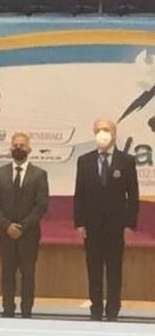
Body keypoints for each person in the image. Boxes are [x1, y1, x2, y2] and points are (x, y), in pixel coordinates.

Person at [74, 119, 139, 322]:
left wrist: (129, 224)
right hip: (92, 225)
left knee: (114, 269)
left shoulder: (126, 161)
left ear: (114, 133)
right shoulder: (84, 160)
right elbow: (79, 194)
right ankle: (95, 308)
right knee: (93, 268)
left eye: (106, 129)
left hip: (116, 226)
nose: (102, 133)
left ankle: (112, 310)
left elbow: (133, 195)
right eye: (98, 130)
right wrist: (80, 223)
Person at [0, 132, 49, 318]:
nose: (18, 148)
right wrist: (7, 226)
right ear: (10, 148)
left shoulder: (39, 174)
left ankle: (26, 310)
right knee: (7, 273)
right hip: (5, 233)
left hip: (28, 234)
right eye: (15, 145)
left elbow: (41, 205)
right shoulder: (0, 173)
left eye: (22, 145)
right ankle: (7, 308)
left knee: (28, 274)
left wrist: (22, 226)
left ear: (29, 149)